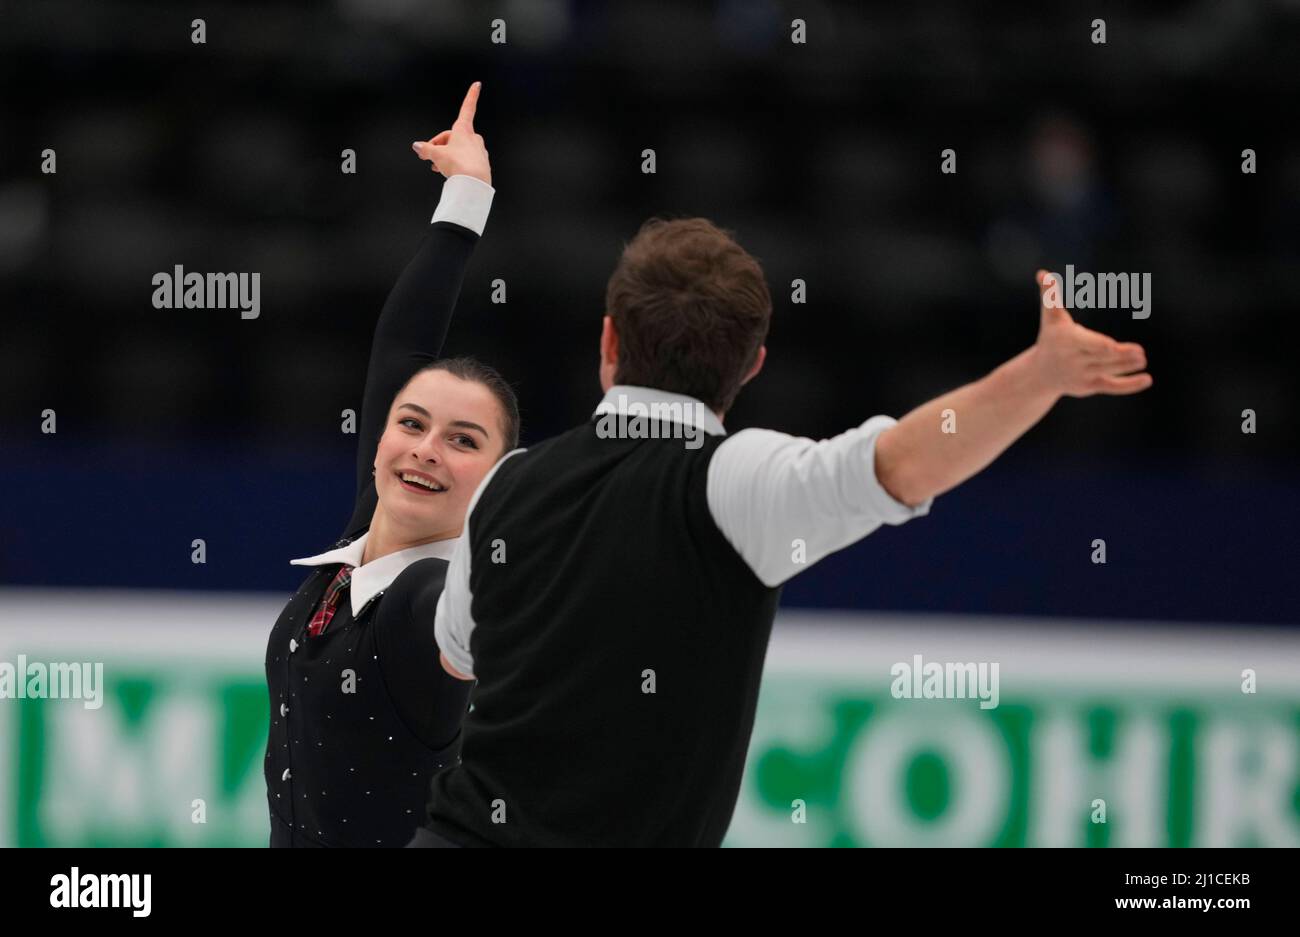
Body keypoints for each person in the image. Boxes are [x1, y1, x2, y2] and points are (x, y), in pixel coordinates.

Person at [413, 217, 1151, 847]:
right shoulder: (734, 482)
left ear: (608, 339)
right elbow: (899, 463)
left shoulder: (504, 483)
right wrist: (1041, 374)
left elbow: (459, 658)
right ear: (753, 365)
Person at [263, 83, 516, 847]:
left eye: (464, 440)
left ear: (495, 480)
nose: (426, 448)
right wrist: (467, 194)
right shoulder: (364, 535)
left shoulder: (426, 602)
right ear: (379, 437)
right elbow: (400, 346)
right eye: (410, 423)